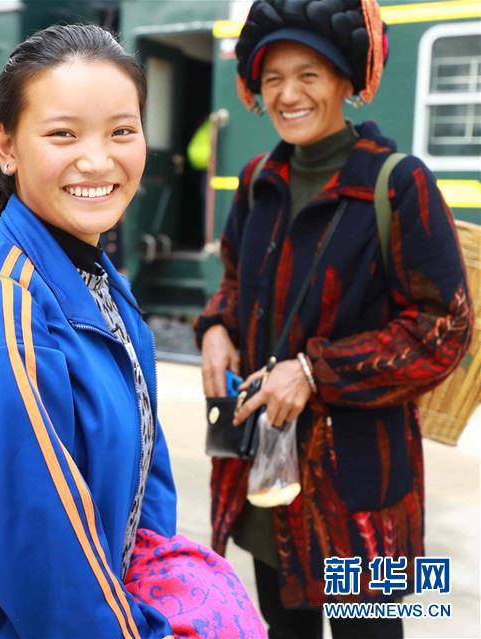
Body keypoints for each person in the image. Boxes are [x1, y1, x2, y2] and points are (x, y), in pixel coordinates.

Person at [0, 24, 263, 639]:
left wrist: (155, 579)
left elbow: (145, 471)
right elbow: (42, 563)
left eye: (123, 130)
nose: (98, 160)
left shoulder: (90, 275)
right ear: (7, 147)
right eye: (63, 134)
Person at [195, 1, 474, 638]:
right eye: (273, 79)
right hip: (268, 483)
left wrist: (314, 373)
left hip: (361, 502)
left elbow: (443, 330)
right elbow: (237, 282)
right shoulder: (256, 180)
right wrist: (216, 326)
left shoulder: (399, 185)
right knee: (283, 627)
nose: (289, 94)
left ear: (347, 82)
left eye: (310, 74)